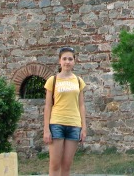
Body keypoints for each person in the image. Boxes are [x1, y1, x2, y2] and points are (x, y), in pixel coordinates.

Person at [44, 46, 87, 176]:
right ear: (59, 61)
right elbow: (48, 105)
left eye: (70, 59)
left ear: (74, 61)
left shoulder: (79, 81)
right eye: (64, 59)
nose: (67, 62)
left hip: (74, 125)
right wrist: (46, 129)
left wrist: (83, 128)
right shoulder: (53, 80)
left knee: (67, 165)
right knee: (55, 164)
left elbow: (81, 105)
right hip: (56, 124)